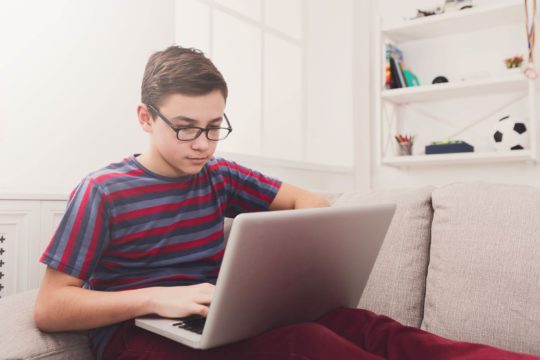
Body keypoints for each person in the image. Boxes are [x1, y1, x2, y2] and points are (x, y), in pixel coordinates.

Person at [34, 46, 539, 360]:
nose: (203, 145)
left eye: (214, 127)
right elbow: (51, 306)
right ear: (145, 118)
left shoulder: (218, 175)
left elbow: (308, 200)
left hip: (220, 317)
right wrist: (154, 298)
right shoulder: (102, 190)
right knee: (311, 346)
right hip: (141, 338)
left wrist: (280, 273)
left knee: (366, 326)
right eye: (186, 129)